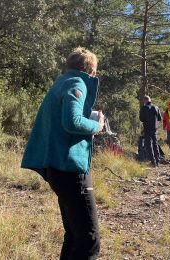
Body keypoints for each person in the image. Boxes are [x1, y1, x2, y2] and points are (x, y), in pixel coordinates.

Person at [21, 47, 103, 260]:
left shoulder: (60, 83)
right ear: (90, 70)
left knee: (74, 235)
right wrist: (97, 125)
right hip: (70, 169)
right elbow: (72, 121)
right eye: (94, 71)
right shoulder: (77, 83)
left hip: (56, 167)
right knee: (89, 239)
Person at [139, 95, 162, 167]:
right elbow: (159, 118)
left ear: (145, 101)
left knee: (149, 144)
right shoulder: (156, 107)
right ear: (150, 100)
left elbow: (141, 119)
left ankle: (153, 161)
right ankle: (158, 160)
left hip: (147, 128)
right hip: (154, 128)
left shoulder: (143, 108)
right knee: (155, 143)